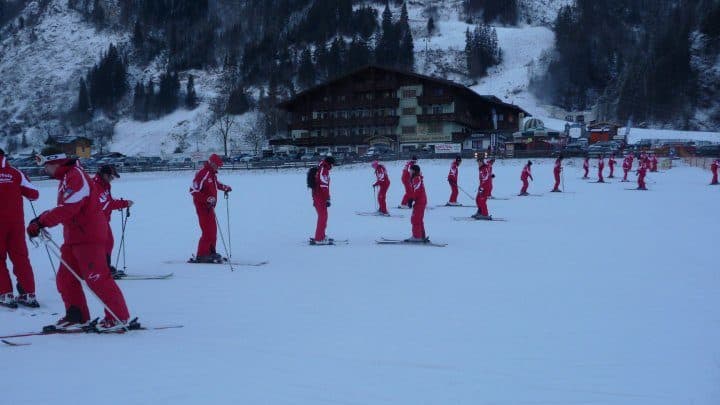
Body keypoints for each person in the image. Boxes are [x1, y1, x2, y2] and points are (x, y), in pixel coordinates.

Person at [27, 150, 134, 331]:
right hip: (73, 238)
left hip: (89, 237)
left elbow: (70, 208)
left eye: (46, 165)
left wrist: (42, 221)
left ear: (56, 162)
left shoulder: (76, 176)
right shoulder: (67, 178)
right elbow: (65, 208)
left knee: (97, 279)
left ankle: (118, 317)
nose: (45, 170)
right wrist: (40, 220)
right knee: (65, 279)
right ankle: (77, 316)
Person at [0, 148, 40, 308]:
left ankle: (5, 294)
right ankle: (28, 294)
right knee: (21, 258)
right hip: (16, 224)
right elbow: (34, 194)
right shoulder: (16, 173)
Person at [189, 153, 232, 262]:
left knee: (212, 230)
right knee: (207, 231)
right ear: (212, 163)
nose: (218, 167)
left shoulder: (212, 174)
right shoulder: (203, 173)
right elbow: (193, 190)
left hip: (210, 207)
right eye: (217, 165)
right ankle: (202, 254)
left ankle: (210, 252)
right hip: (202, 207)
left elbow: (216, 184)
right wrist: (207, 199)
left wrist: (225, 187)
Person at [93, 164, 133, 278]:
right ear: (105, 175)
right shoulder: (95, 185)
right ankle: (101, 268)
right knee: (102, 244)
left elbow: (108, 200)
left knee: (108, 242)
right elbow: (103, 204)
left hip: (103, 219)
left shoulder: (105, 184)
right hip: (95, 220)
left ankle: (105, 266)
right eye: (111, 176)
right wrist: (123, 203)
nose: (112, 179)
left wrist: (120, 202)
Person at [310, 156, 335, 244]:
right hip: (320, 197)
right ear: (330, 163)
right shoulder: (324, 170)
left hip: (317, 195)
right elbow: (324, 186)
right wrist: (327, 198)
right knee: (323, 217)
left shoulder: (320, 167)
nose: (332, 166)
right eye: (332, 164)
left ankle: (321, 235)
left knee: (323, 216)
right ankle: (319, 238)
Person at [406, 164, 428, 242]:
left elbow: (417, 190)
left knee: (415, 219)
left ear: (414, 171)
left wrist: (411, 199)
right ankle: (421, 235)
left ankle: (417, 237)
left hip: (420, 201)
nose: (409, 171)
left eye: (410, 170)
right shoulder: (415, 178)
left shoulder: (416, 179)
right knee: (418, 219)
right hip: (420, 201)